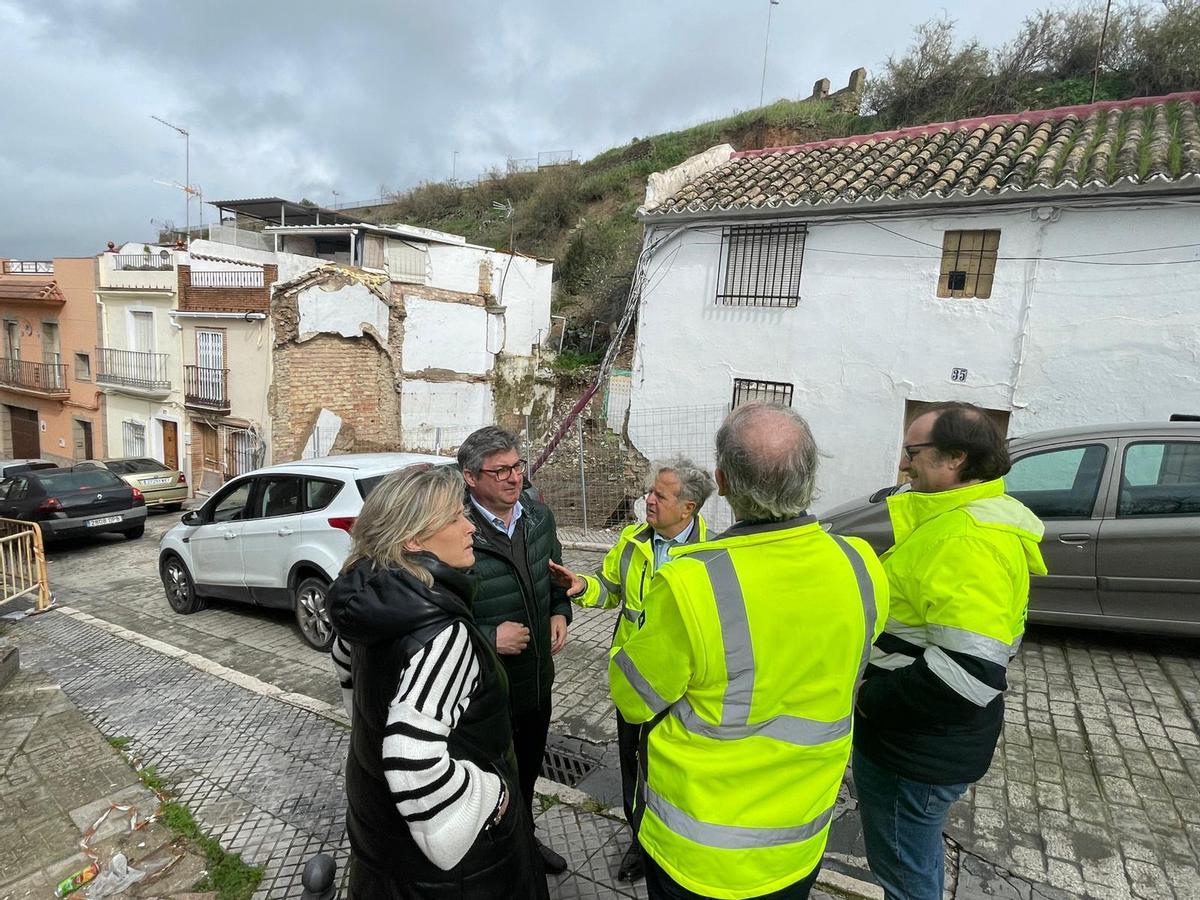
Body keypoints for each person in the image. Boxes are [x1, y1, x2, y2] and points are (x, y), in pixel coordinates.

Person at [609, 403, 889, 899]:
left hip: (699, 849)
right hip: (797, 840)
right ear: (810, 477)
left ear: (723, 480)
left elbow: (634, 699)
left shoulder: (691, 582)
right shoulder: (860, 564)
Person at [326, 463, 548, 899]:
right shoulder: (442, 634)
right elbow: (411, 759)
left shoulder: (374, 596)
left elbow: (346, 668)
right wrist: (492, 796)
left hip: (379, 834)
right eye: (454, 518)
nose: (470, 528)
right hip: (456, 877)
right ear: (412, 539)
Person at [853, 402, 1046, 900]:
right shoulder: (955, 521)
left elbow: (968, 675)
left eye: (914, 452)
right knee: (911, 857)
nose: (902, 464)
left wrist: (868, 699)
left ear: (955, 458)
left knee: (903, 870)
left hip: (915, 748)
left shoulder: (968, 539)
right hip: (925, 742)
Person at [550, 457, 716, 883]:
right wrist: (583, 586)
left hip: (686, 689)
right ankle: (640, 841)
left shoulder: (712, 555)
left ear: (688, 507)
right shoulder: (632, 541)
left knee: (675, 769)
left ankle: (676, 842)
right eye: (650, 492)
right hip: (634, 683)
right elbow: (613, 590)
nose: (649, 501)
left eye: (660, 495)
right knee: (632, 763)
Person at [458, 426, 573, 874]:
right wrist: (489, 636)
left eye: (517, 466)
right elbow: (434, 618)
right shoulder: (455, 531)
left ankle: (524, 840)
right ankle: (490, 861)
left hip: (536, 684)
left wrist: (559, 611)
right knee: (485, 785)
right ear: (470, 477)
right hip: (484, 693)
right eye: (500, 470)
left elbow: (556, 576)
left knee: (524, 775)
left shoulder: (539, 518)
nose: (513, 478)